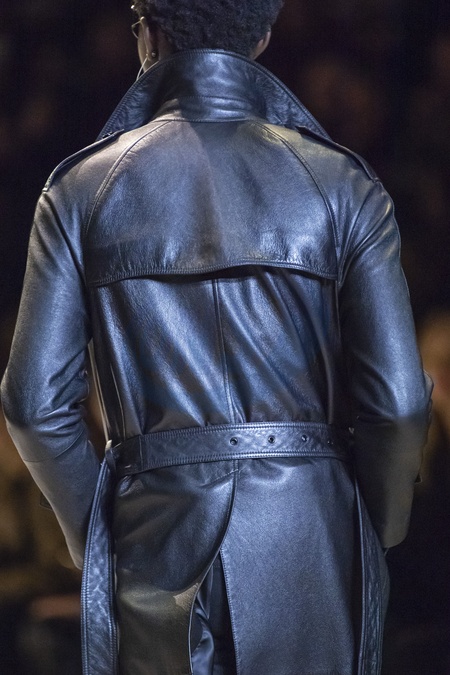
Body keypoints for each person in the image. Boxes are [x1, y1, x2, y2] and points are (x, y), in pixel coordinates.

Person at [1, 1, 431, 674]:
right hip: (309, 533)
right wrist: (373, 527)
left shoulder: (80, 191)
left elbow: (33, 404)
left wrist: (105, 537)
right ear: (262, 36)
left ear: (150, 33)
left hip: (154, 537)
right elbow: (399, 402)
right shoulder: (342, 184)